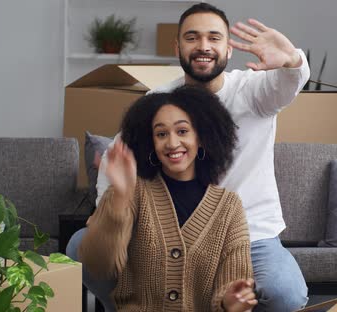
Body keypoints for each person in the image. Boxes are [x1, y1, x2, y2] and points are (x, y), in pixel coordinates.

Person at [96, 3, 310, 311]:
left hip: (252, 235)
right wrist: (107, 207)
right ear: (178, 46)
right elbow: (117, 157)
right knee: (81, 246)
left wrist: (292, 61)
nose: (203, 47)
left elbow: (287, 85)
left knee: (286, 294)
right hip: (170, 232)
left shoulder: (254, 92)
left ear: (228, 48)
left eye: (214, 38)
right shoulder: (159, 102)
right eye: (192, 38)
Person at [75, 86, 257, 311]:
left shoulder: (230, 207)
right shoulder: (130, 192)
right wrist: (120, 198)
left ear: (201, 137)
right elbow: (98, 264)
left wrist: (231, 303)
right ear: (151, 142)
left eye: (182, 131)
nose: (172, 143)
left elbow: (233, 283)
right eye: (161, 134)